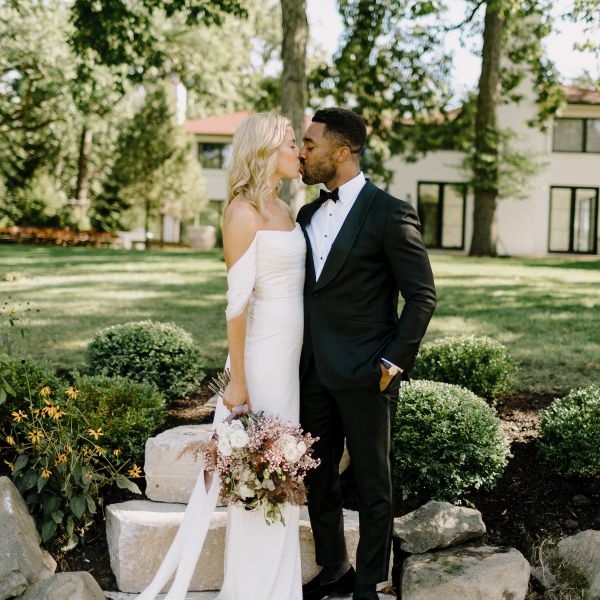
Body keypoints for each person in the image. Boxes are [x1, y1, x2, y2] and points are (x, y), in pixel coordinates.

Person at [136, 112, 306, 600]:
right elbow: (237, 304)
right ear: (266, 149)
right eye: (291, 143)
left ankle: (280, 586)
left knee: (283, 474)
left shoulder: (284, 209)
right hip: (260, 359)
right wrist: (239, 382)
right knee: (260, 473)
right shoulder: (242, 212)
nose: (298, 152)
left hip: (289, 359)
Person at [297, 107, 437, 600]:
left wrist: (392, 362)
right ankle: (332, 566)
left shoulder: (390, 213)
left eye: (310, 144)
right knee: (317, 476)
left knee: (375, 484)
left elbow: (422, 296)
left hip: (367, 371)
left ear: (342, 151)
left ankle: (368, 581)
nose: (301, 152)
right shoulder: (307, 214)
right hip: (312, 369)